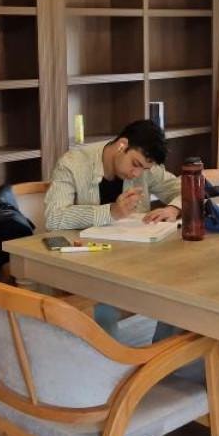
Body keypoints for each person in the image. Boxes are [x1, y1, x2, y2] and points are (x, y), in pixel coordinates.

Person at [43, 119, 181, 338]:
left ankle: (165, 351)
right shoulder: (73, 163)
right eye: (135, 164)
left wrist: (174, 208)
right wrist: (111, 212)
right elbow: (54, 217)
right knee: (104, 297)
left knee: (180, 281)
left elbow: (183, 188)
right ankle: (108, 354)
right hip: (88, 261)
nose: (137, 174)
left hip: (135, 256)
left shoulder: (144, 169)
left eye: (144, 169)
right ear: (122, 145)